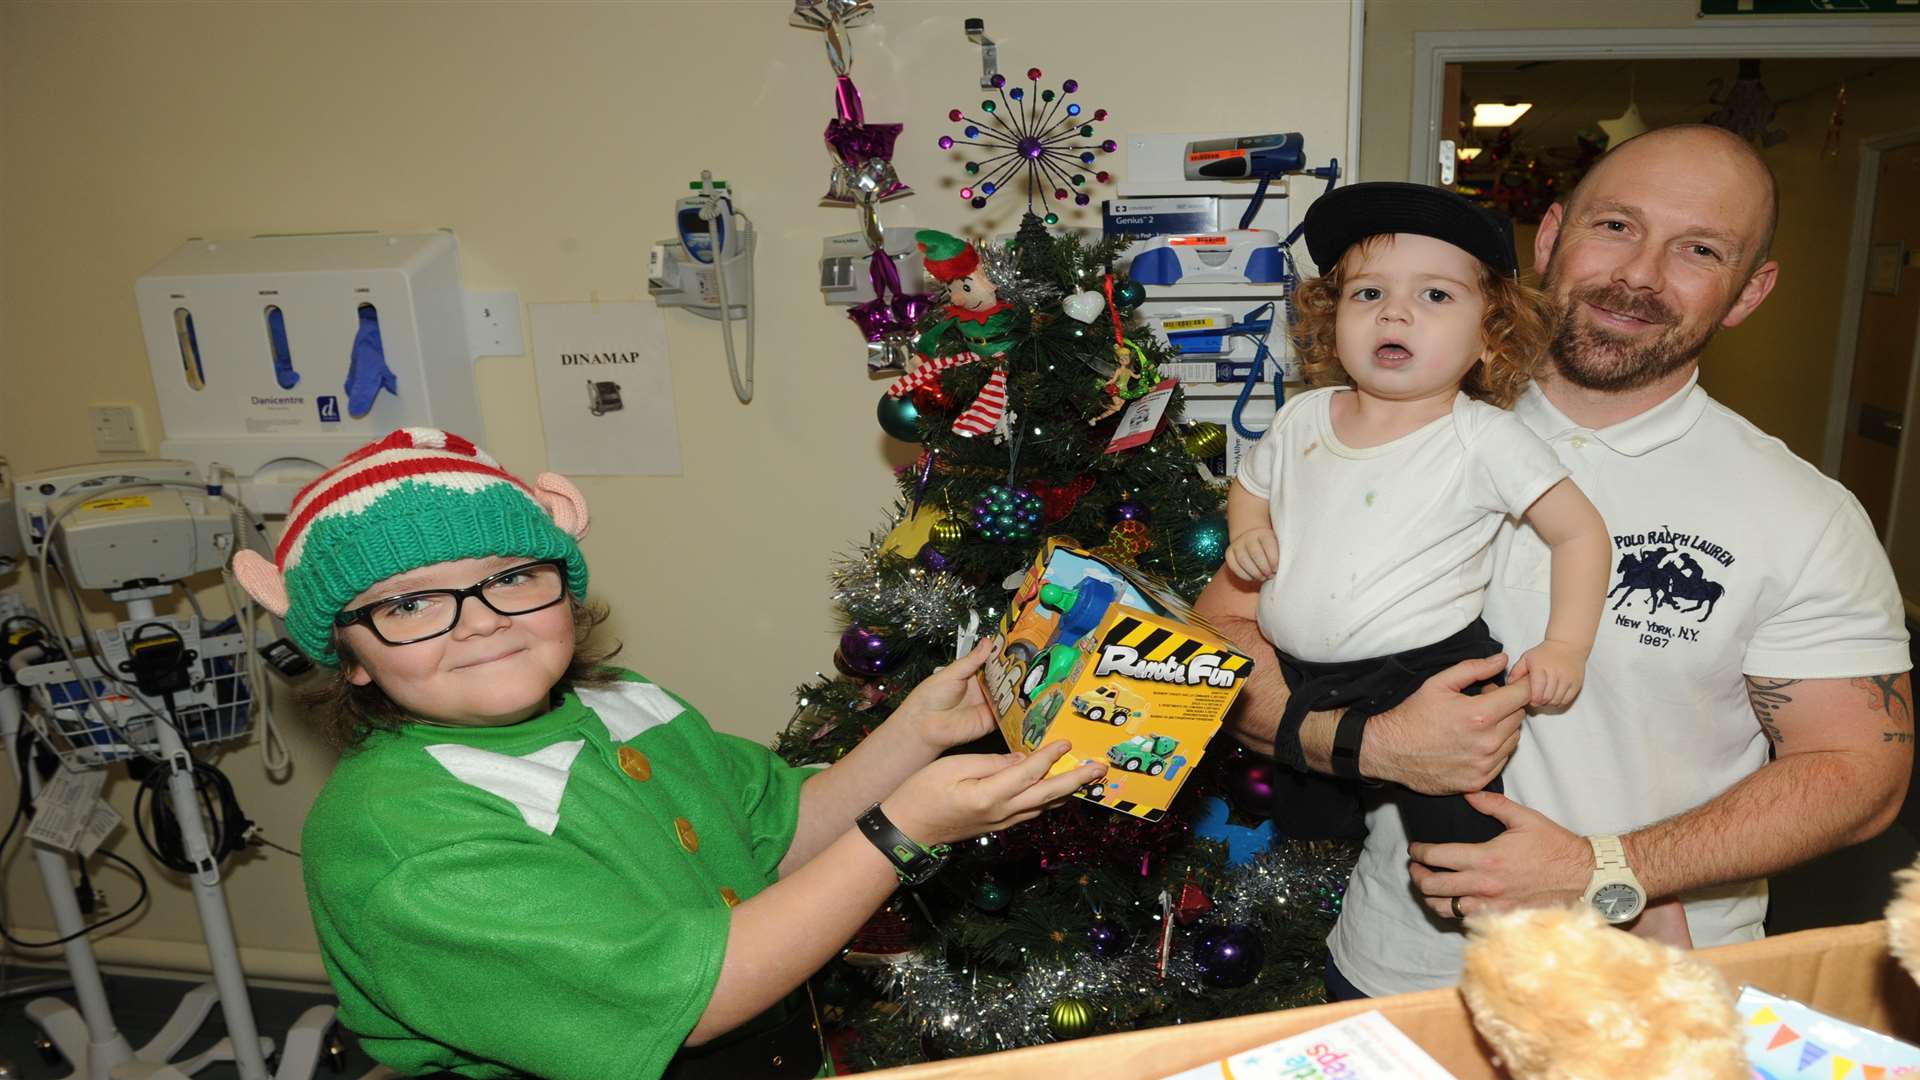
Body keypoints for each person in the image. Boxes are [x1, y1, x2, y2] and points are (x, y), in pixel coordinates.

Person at [1196, 124, 1913, 1000]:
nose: (1641, 275)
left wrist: (1607, 868)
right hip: (1399, 971)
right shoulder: (1366, 425)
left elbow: (1858, 772)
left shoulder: (1803, 515)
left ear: (1748, 291)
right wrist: (1367, 741)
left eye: (1699, 249)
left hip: (1643, 992)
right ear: (1550, 238)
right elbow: (1223, 632)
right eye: (1617, 226)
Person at [230, 427, 1106, 1079]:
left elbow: (779, 831)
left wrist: (914, 732)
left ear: (562, 586)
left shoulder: (622, 703)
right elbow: (692, 999)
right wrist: (903, 831)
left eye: (509, 576)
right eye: (411, 605)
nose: (484, 618)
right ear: (348, 654)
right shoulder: (398, 835)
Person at [1222, 182, 1608, 848]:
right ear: (1331, 318)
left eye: (1435, 295)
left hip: (1429, 669)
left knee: (1458, 849)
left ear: (1492, 336)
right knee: (1303, 838)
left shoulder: (1485, 438)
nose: (1394, 314)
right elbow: (1249, 485)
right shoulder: (1301, 419)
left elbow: (1580, 533)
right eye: (1369, 293)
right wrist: (1248, 529)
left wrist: (1566, 645)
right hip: (1300, 672)